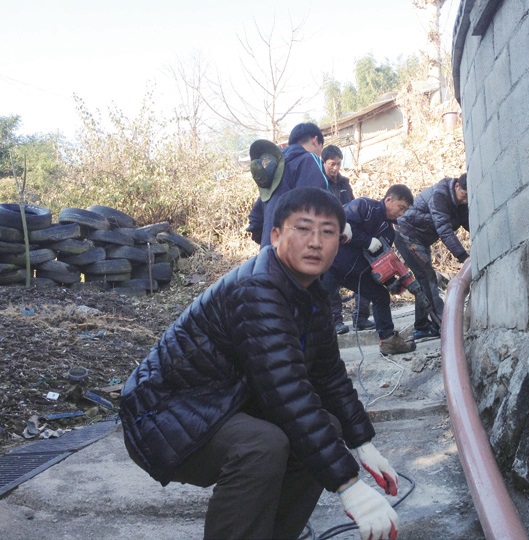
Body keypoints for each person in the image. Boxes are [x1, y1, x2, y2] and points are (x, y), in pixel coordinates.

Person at [120, 187, 399, 540]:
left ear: (339, 241)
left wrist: (363, 443)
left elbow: (329, 376)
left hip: (221, 400)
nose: (315, 242)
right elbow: (287, 392)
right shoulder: (257, 289)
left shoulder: (310, 293)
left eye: (327, 232)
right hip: (163, 411)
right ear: (276, 235)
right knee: (261, 444)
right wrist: (348, 484)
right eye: (303, 228)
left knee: (325, 424)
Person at [321, 184, 416, 356]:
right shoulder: (364, 206)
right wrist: (367, 241)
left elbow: (380, 261)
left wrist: (390, 282)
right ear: (388, 199)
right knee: (317, 302)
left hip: (357, 273)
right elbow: (342, 224)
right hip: (332, 264)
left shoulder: (389, 232)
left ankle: (388, 341)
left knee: (380, 296)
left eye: (405, 211)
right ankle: (303, 343)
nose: (401, 213)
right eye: (401, 208)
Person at [394, 173, 469, 340]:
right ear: (457, 186)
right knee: (427, 278)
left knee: (424, 280)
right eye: (464, 196)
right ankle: (443, 323)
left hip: (421, 240)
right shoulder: (440, 195)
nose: (465, 201)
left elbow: (469, 223)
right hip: (407, 235)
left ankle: (421, 327)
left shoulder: (460, 201)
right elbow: (444, 230)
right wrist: (463, 256)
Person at [247, 122, 330, 248]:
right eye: (321, 148)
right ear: (315, 140)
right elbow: (318, 204)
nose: (320, 154)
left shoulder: (275, 168)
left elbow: (255, 220)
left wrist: (270, 241)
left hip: (268, 256)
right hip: (296, 255)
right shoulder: (309, 159)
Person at [321, 144, 375, 335]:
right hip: (327, 236)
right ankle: (335, 320)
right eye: (331, 164)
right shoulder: (319, 183)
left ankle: (360, 317)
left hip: (348, 233)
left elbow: (352, 205)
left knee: (364, 270)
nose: (335, 168)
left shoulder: (344, 184)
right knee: (331, 278)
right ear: (323, 162)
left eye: (338, 164)